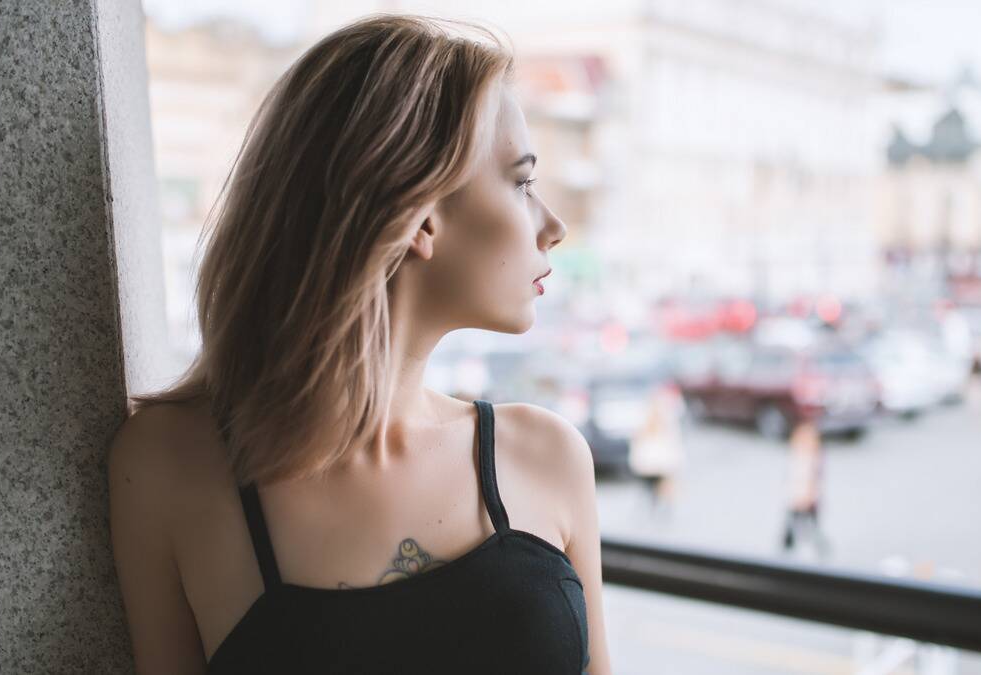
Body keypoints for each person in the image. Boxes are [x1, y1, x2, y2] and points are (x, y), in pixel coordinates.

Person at [107, 16, 609, 673]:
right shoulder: (170, 465)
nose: (555, 225)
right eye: (520, 182)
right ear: (423, 212)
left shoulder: (547, 458)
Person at [627, 386, 685, 521]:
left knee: (652, 489)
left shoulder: (652, 417)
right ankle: (659, 510)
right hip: (658, 464)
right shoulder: (661, 418)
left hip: (653, 464)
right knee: (657, 489)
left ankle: (656, 510)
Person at [780, 417, 831, 560]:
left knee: (806, 526)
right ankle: (788, 548)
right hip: (798, 497)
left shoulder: (810, 458)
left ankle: (817, 547)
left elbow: (812, 480)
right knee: (795, 525)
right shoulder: (800, 456)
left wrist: (808, 497)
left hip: (804, 498)